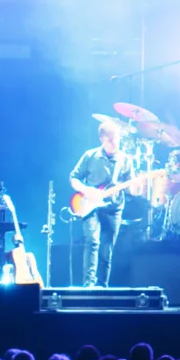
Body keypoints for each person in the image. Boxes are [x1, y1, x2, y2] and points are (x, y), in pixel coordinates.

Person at [68, 116, 136, 288]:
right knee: (92, 242)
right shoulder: (90, 156)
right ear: (102, 139)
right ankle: (88, 287)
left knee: (107, 251)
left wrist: (135, 187)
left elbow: (132, 190)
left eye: (117, 139)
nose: (115, 142)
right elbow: (73, 178)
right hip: (90, 207)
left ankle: (102, 287)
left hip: (114, 209)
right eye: (111, 139)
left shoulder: (126, 160)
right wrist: (87, 190)